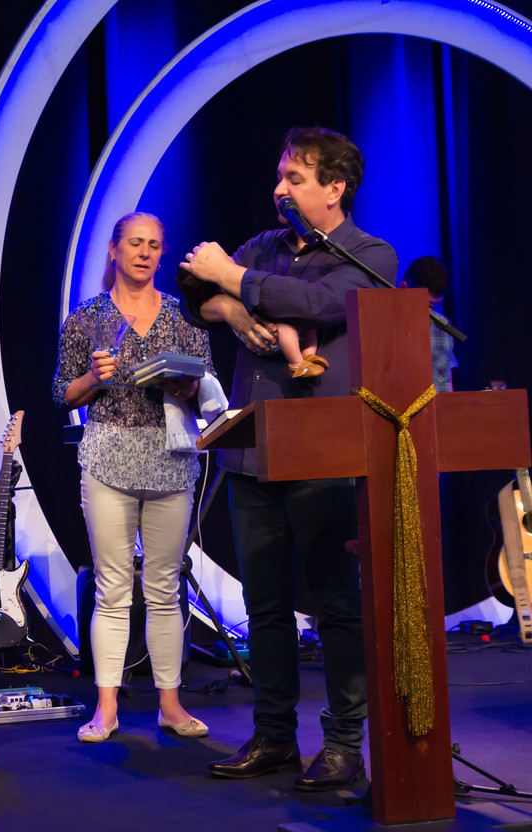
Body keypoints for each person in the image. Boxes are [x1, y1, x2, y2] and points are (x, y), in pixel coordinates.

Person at [179, 126, 398, 790]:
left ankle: (343, 742)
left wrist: (235, 280)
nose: (279, 189)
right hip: (254, 450)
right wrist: (225, 301)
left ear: (335, 189)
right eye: (279, 176)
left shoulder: (369, 255)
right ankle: (274, 735)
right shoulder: (266, 247)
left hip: (328, 453)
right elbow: (191, 280)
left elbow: (324, 305)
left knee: (334, 602)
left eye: (295, 179)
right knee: (265, 604)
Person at [52, 213, 213, 744]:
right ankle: (106, 708)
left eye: (154, 246)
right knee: (112, 589)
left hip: (170, 456)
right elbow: (63, 395)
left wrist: (187, 387)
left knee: (165, 588)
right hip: (107, 458)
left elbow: (203, 380)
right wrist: (93, 379)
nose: (144, 253)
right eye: (135, 244)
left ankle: (170, 702)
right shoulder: (87, 317)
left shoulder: (181, 315)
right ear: (115, 251)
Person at [400, 255, 457, 393]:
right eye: (425, 304)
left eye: (433, 306)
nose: (429, 313)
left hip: (438, 411)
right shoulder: (379, 326)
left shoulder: (441, 325)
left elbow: (446, 383)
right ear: (402, 288)